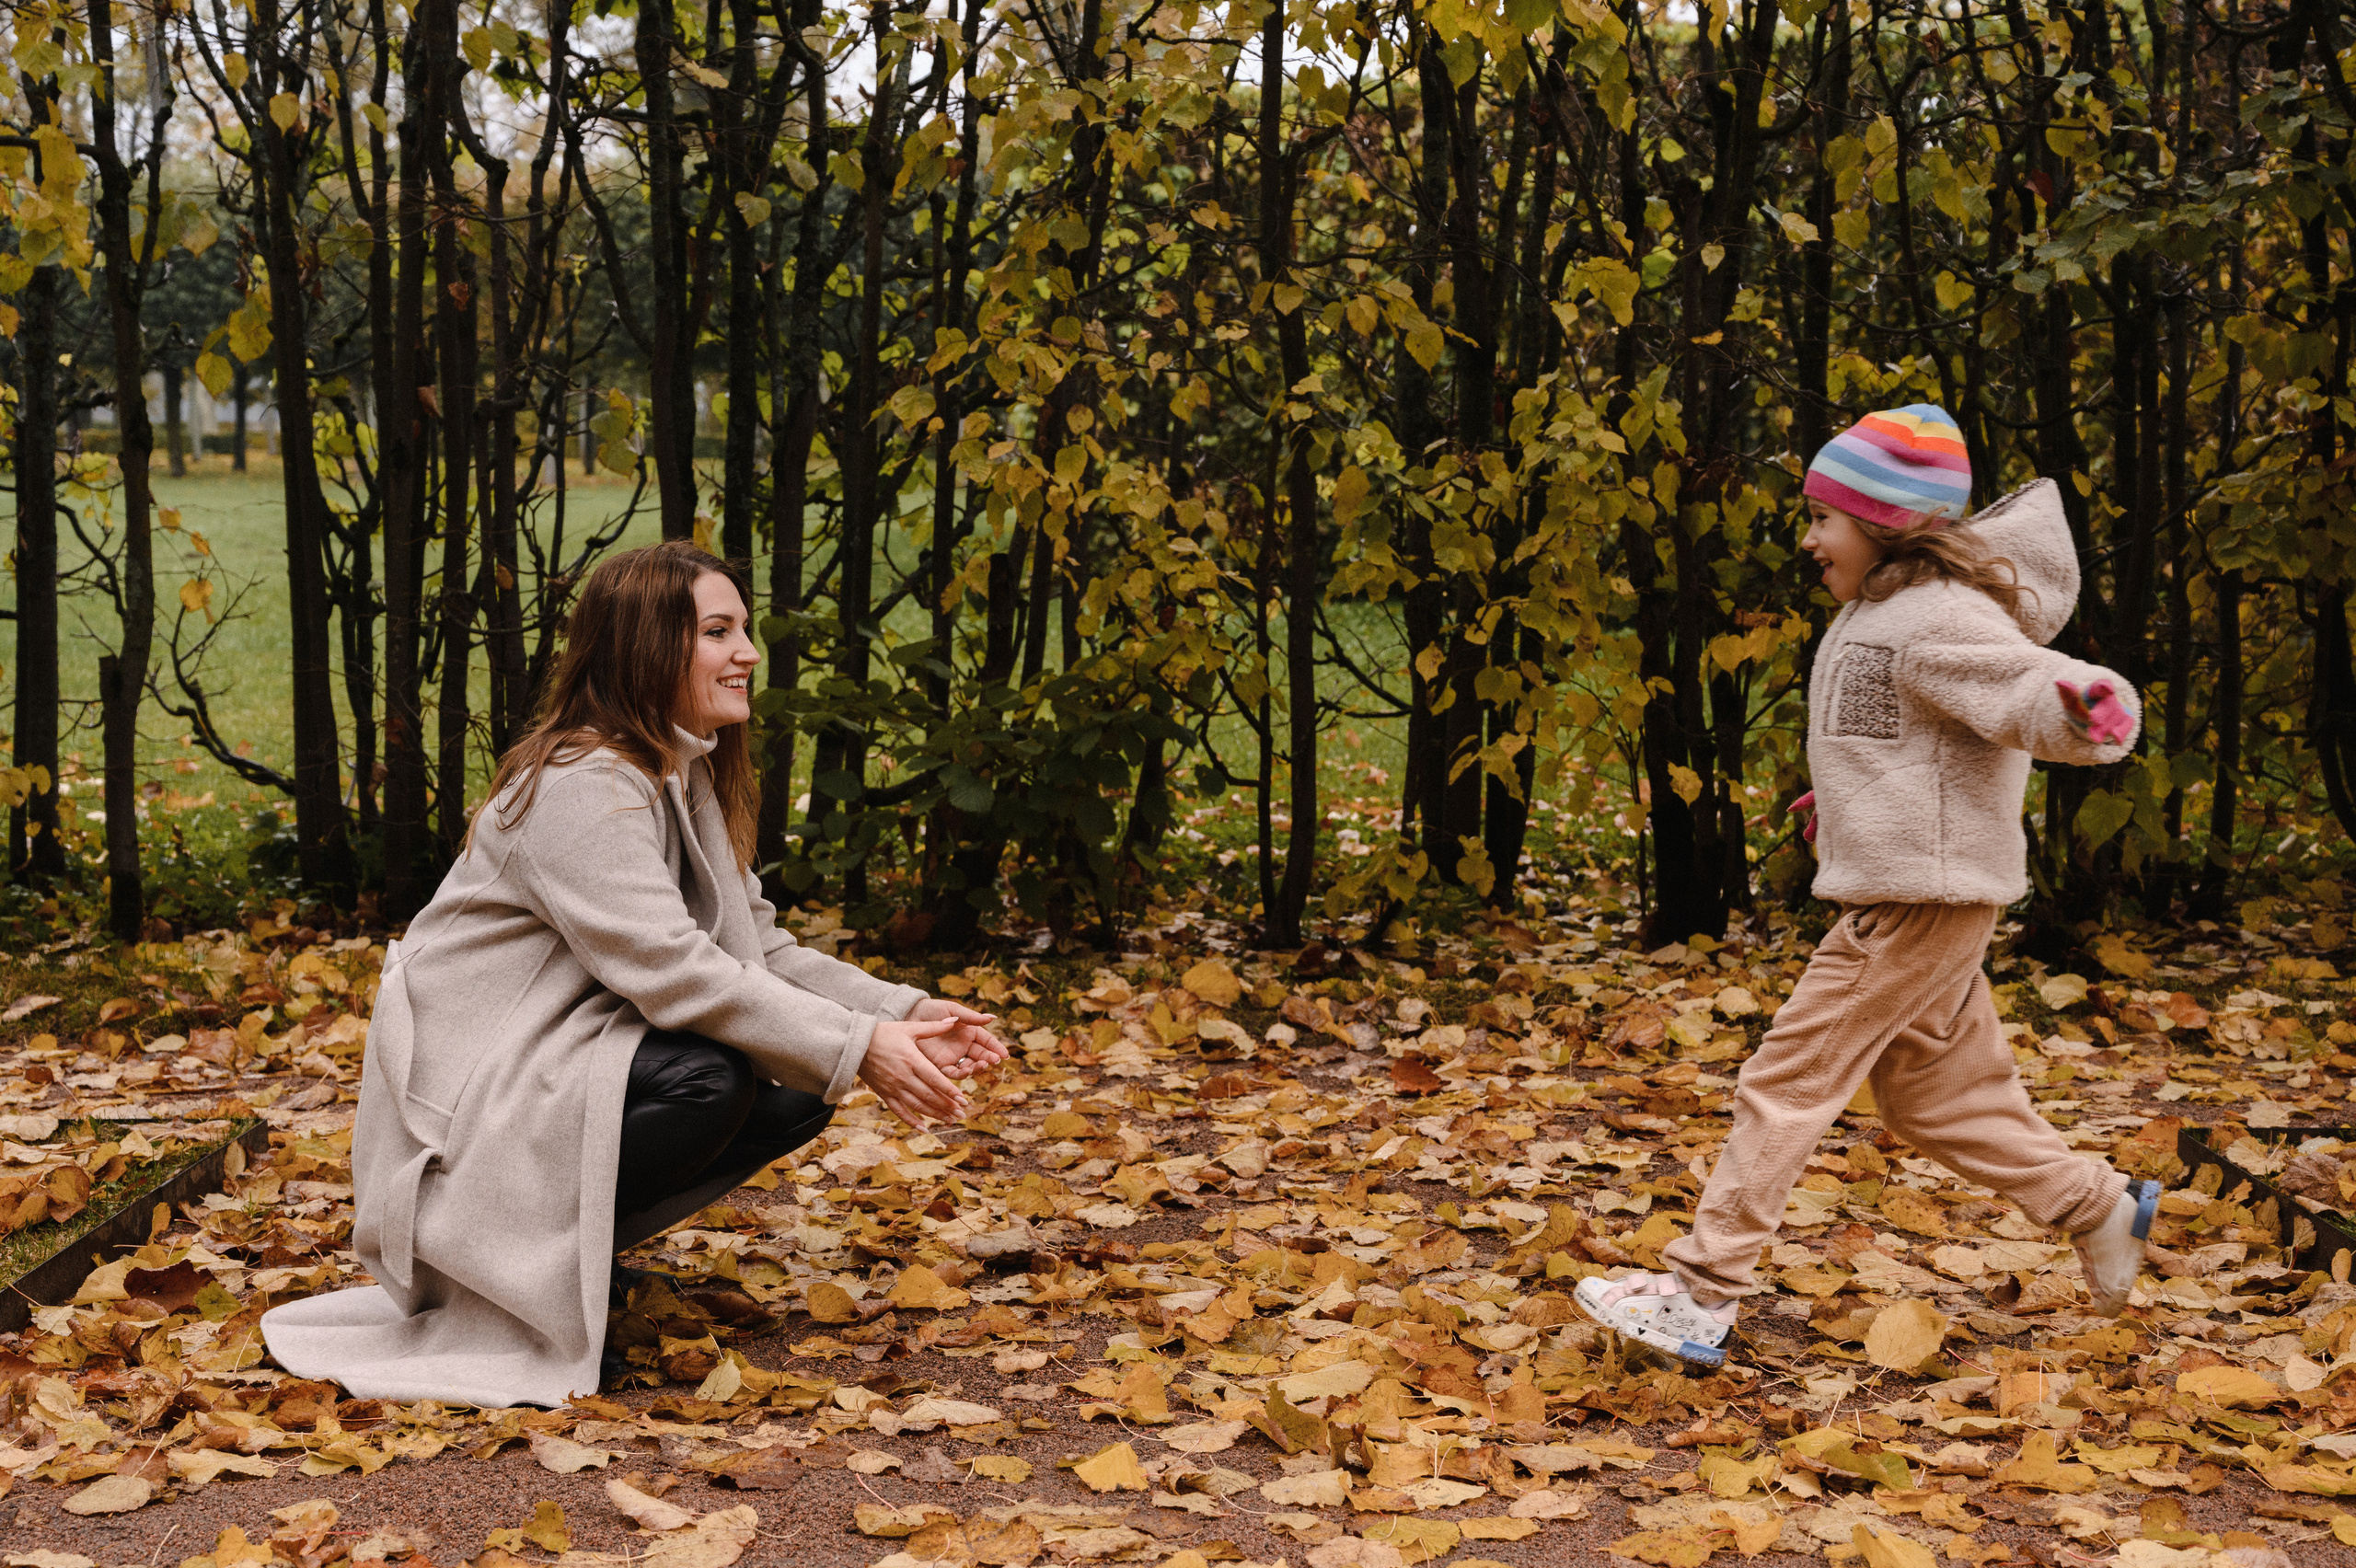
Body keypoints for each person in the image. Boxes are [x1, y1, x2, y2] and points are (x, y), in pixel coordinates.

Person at [261, 542, 1006, 1408]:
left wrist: (902, 1014)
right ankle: (493, 1267)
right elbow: (674, 972)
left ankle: (549, 1262)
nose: (749, 654)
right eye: (719, 632)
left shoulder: (676, 775)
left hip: (552, 1063)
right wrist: (859, 1043)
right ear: (647, 647)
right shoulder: (583, 782)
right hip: (465, 1105)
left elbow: (760, 953)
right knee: (713, 1078)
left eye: (745, 629)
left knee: (802, 1081)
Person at [1576, 406, 2158, 1366]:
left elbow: (2017, 687)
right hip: (1923, 887)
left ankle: (1700, 1293)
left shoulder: (1935, 617)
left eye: (1821, 518)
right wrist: (1843, 805)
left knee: (1785, 1081)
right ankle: (2095, 1208)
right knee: (1934, 1100)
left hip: (1914, 902)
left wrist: (2084, 708)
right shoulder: (1887, 611)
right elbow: (1904, 743)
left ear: (1886, 524)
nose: (1808, 539)